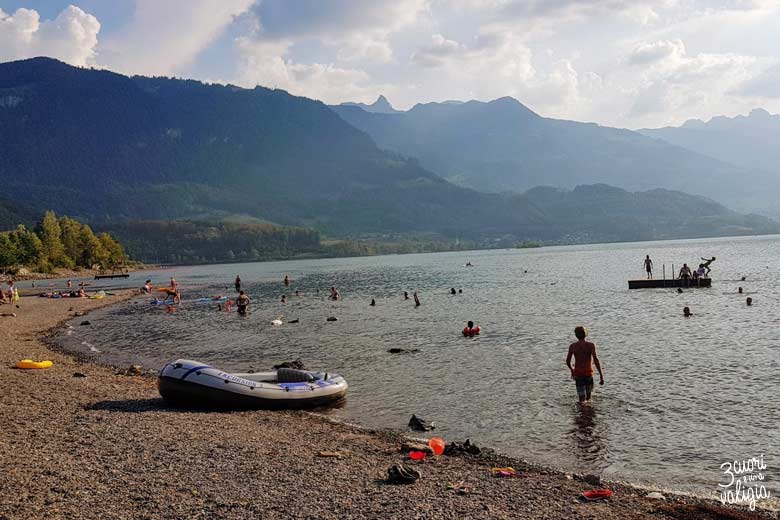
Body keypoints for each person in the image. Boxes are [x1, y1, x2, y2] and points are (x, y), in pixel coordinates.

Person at [566, 326, 604, 403]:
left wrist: (572, 370)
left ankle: (581, 413)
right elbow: (596, 360)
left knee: (581, 399)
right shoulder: (590, 345)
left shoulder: (573, 346)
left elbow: (567, 361)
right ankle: (588, 413)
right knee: (589, 399)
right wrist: (601, 375)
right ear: (586, 334)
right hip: (588, 373)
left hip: (578, 374)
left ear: (576, 335)